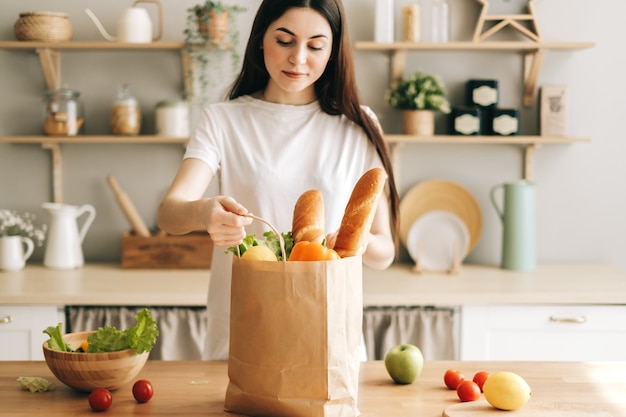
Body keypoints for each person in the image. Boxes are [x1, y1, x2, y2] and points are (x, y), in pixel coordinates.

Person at [157, 0, 400, 361]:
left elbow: (385, 252)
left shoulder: (359, 126)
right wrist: (203, 212)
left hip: (330, 342)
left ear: (333, 52)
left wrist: (357, 243)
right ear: (260, 40)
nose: (298, 59)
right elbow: (169, 213)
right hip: (243, 335)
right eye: (284, 41)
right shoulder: (224, 120)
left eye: (315, 46)